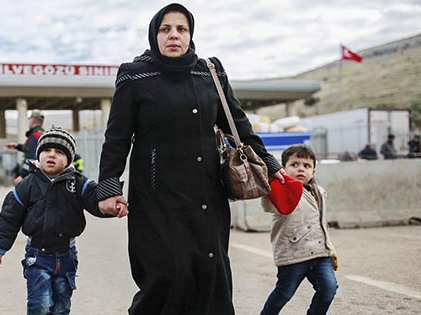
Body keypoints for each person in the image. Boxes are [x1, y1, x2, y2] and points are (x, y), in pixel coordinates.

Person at [96, 3, 284, 314]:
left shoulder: (210, 72)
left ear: (190, 34)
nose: (174, 35)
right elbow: (116, 138)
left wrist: (271, 166)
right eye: (165, 29)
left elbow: (238, 128)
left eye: (181, 29)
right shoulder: (134, 76)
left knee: (210, 271)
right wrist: (109, 187)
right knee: (165, 274)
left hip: (207, 196)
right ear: (154, 35)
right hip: (157, 198)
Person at [0, 127, 120, 314]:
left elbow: (97, 201)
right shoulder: (28, 184)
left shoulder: (78, 183)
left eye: (59, 152)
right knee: (39, 305)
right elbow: (9, 217)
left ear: (68, 159)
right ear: (39, 154)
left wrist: (113, 206)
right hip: (37, 255)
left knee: (61, 307)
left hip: (67, 256)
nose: (52, 155)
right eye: (47, 151)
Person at [260, 145, 338, 315]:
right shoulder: (279, 191)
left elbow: (321, 223)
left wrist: (330, 249)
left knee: (329, 288)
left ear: (313, 172)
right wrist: (268, 182)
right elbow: (268, 203)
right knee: (283, 294)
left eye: (306, 165)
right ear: (283, 169)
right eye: (294, 165)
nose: (301, 169)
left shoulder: (319, 192)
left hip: (319, 253)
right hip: (293, 255)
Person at [6, 109, 45, 185]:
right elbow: (30, 149)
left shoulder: (34, 136)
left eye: (30, 119)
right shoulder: (42, 134)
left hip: (32, 175)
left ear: (33, 120)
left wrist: (22, 176)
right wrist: (17, 146)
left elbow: (30, 157)